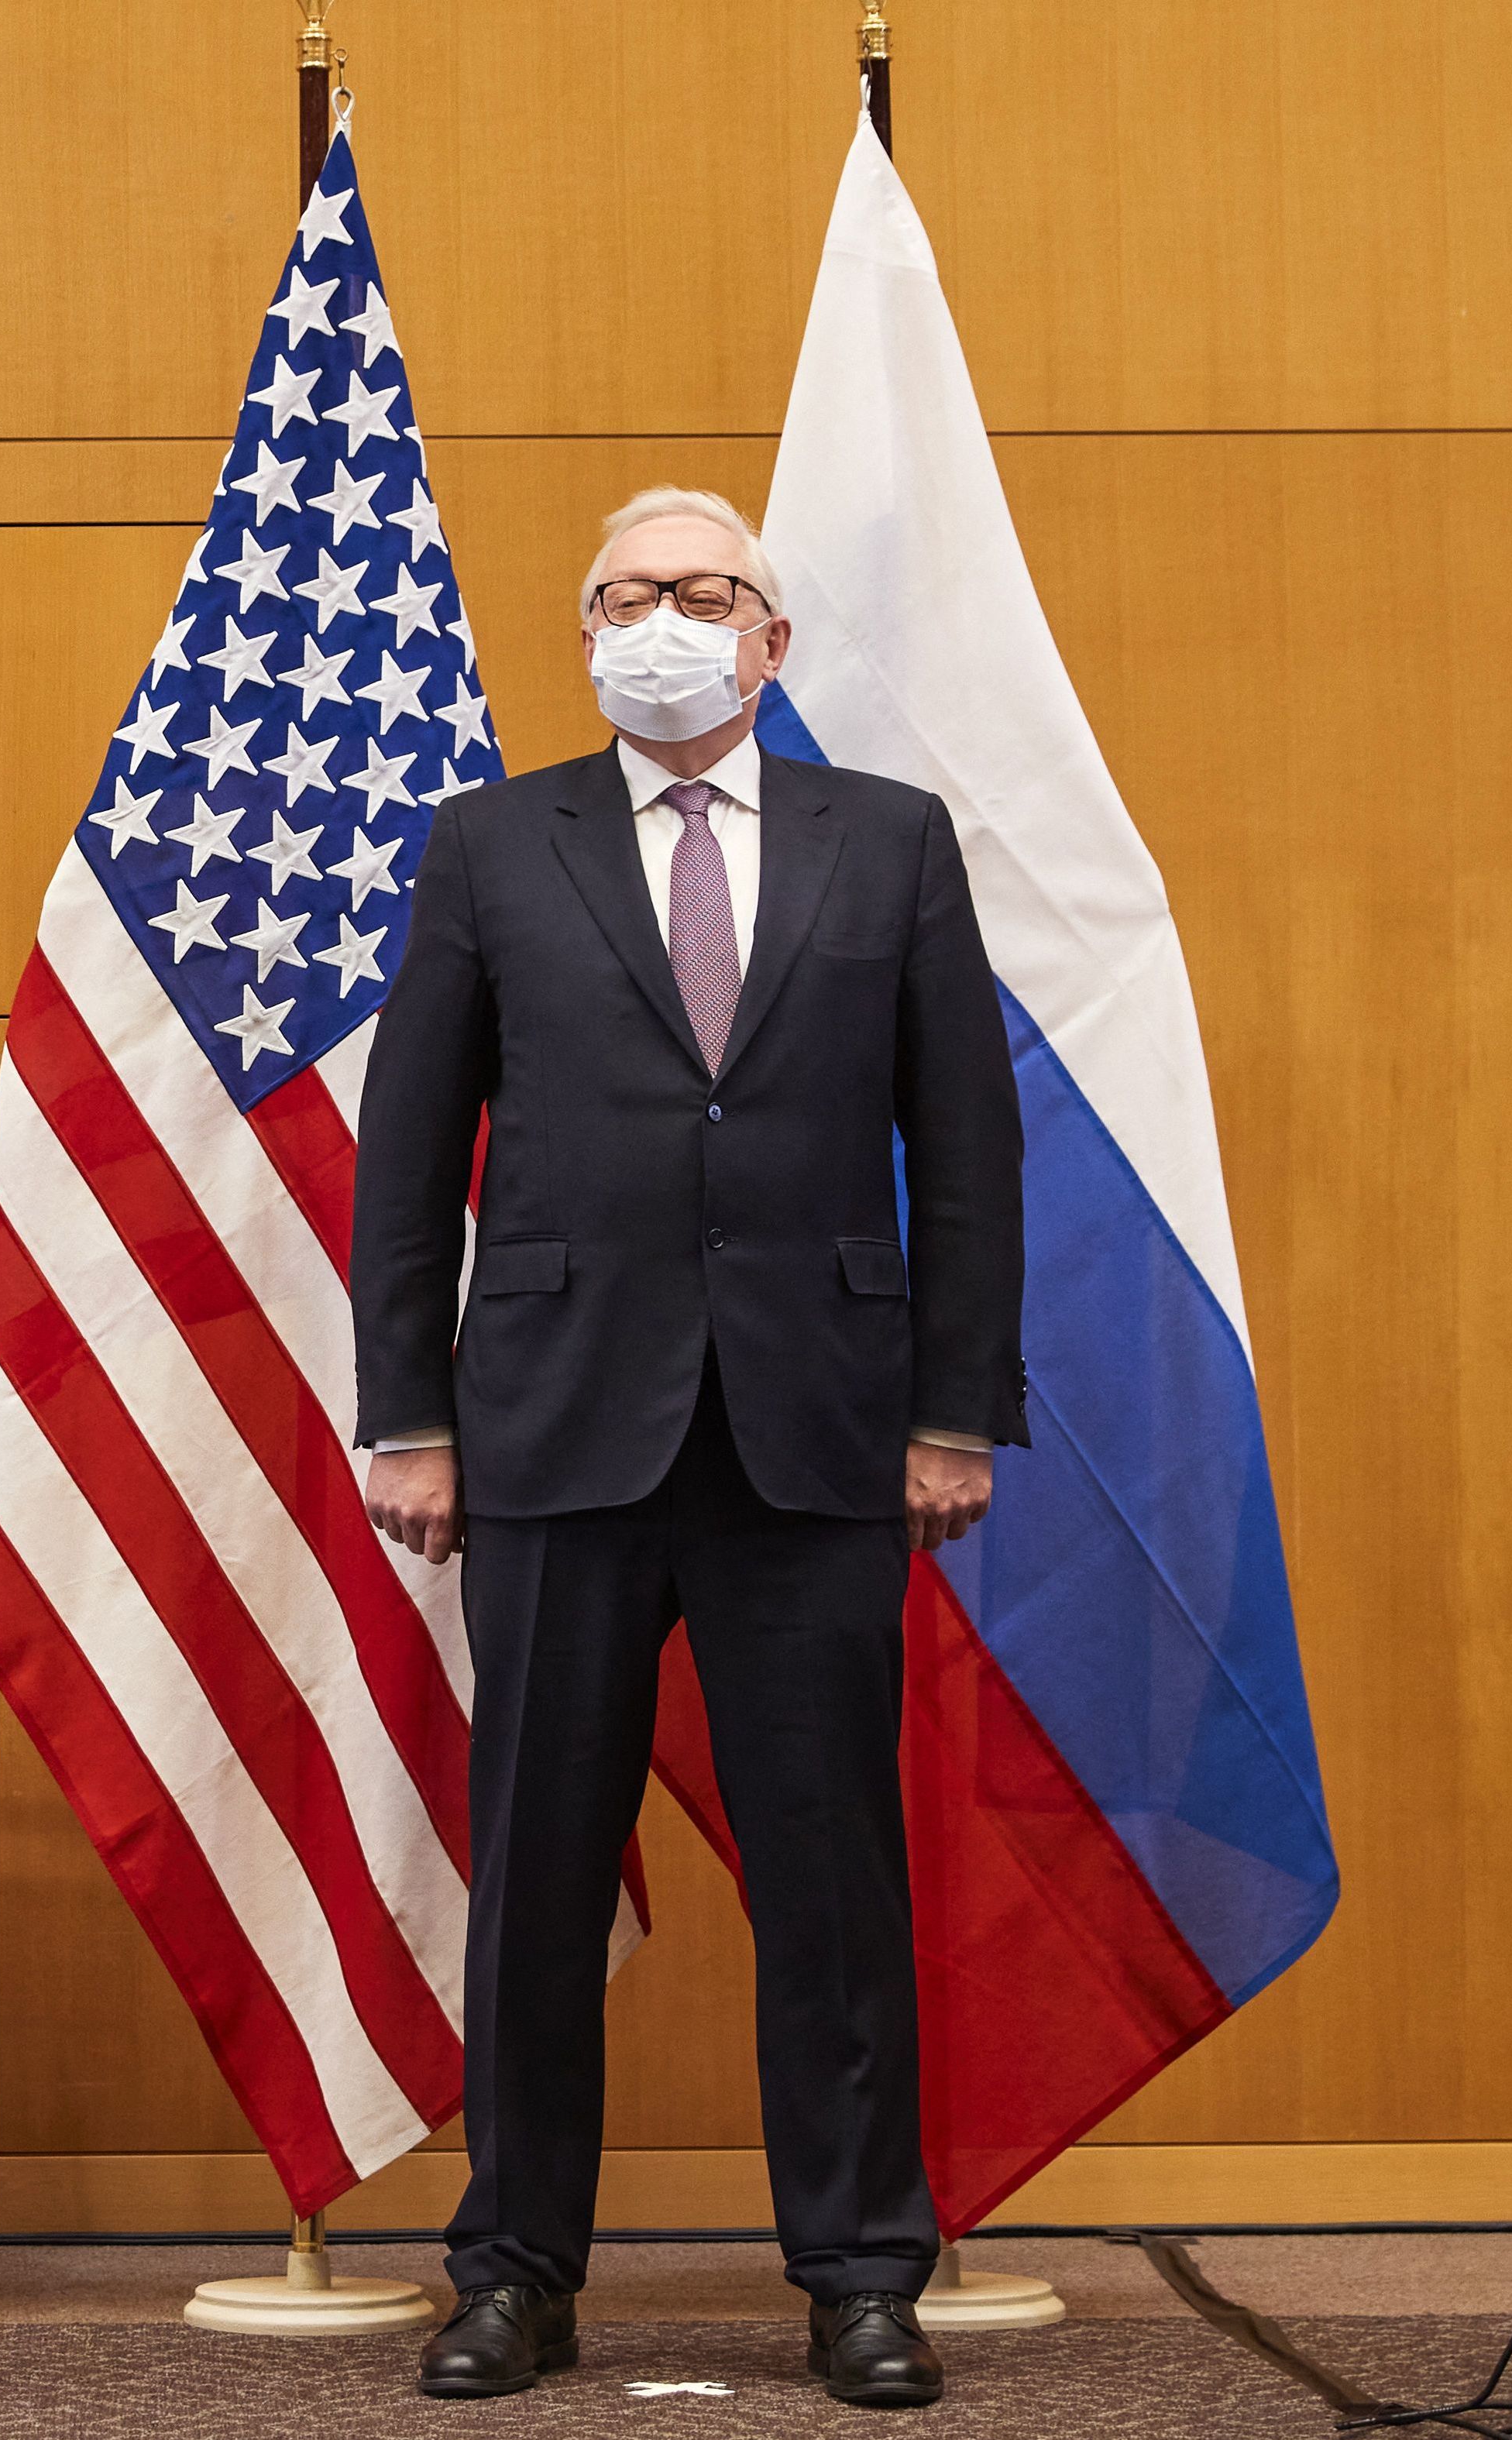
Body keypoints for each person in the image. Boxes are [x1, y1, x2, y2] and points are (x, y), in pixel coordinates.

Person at [352, 490, 1025, 2410]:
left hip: (816, 1434)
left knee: (831, 1881)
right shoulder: (490, 842)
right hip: (553, 1430)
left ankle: (862, 2275)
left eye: (704, 591)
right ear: (584, 632)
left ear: (768, 639)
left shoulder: (888, 840)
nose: (666, 617)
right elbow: (408, 1152)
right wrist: (409, 1417)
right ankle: (512, 2272)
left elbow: (965, 1148)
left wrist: (953, 1408)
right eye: (629, 593)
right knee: (536, 1876)